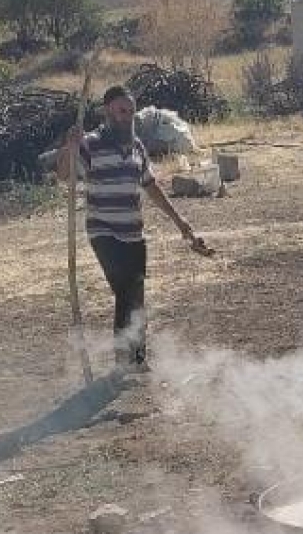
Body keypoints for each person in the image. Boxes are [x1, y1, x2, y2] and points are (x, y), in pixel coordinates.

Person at [57, 84, 213, 367]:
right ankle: (123, 359)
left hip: (134, 233)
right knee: (124, 289)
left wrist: (180, 222)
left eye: (130, 111)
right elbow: (65, 176)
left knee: (136, 296)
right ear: (108, 112)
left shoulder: (137, 146)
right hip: (103, 231)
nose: (126, 116)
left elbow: (150, 186)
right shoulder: (90, 143)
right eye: (120, 111)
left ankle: (137, 358)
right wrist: (70, 148)